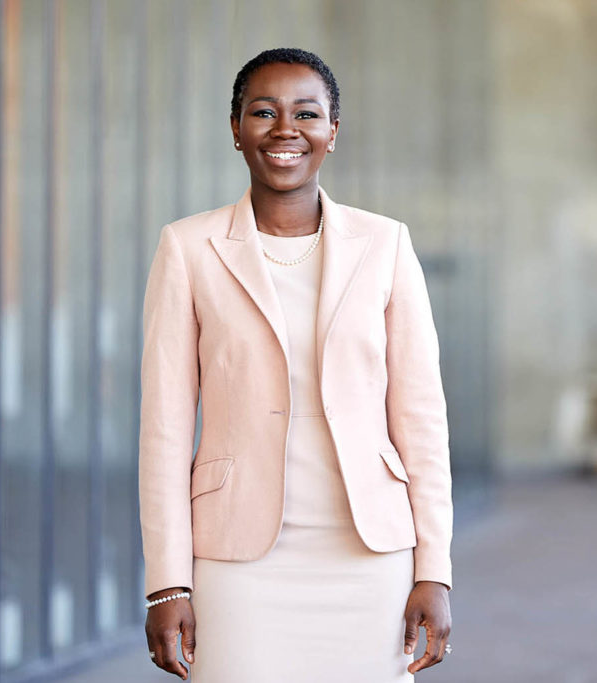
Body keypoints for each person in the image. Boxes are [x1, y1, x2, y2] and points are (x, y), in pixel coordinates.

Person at [139, 47, 453, 682]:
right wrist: (167, 584)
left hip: (370, 555)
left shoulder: (386, 244)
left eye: (307, 113)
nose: (286, 129)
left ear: (332, 133)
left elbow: (420, 418)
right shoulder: (188, 247)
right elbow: (165, 431)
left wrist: (434, 569)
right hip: (238, 558)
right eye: (264, 111)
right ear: (236, 130)